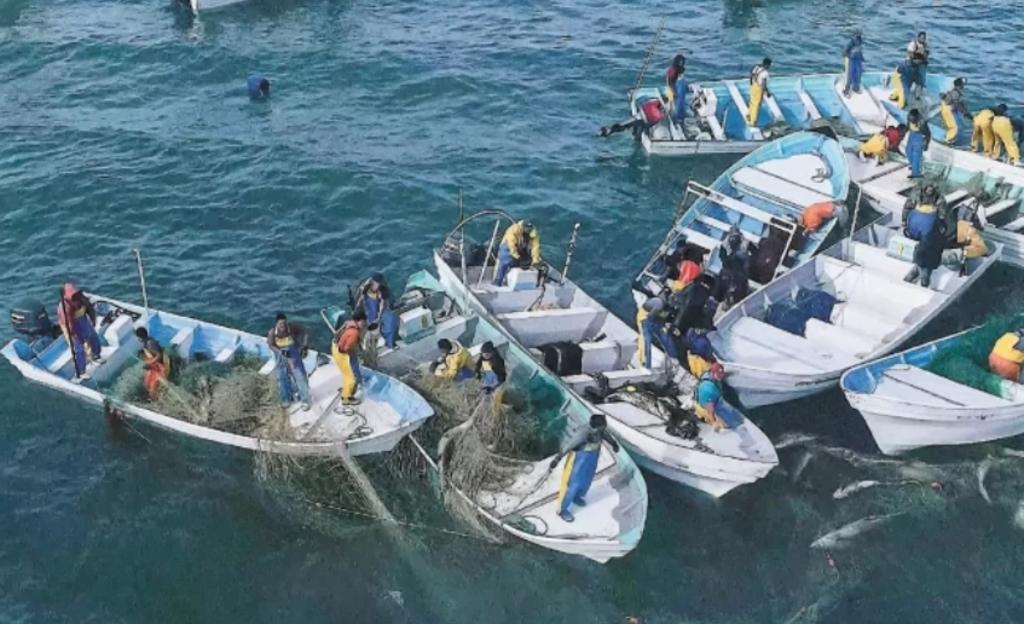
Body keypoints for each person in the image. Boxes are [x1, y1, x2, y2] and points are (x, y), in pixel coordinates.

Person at [548, 413, 619, 523]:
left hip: (592, 458)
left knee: (587, 479)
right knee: (573, 484)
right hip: (579, 460)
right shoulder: (583, 433)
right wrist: (557, 459)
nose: (603, 430)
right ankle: (562, 509)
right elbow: (569, 445)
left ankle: (577, 496)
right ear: (594, 427)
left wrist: (613, 443)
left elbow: (605, 435)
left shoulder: (600, 431)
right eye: (601, 428)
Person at [56, 282, 103, 381]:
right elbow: (69, 324)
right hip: (70, 326)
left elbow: (90, 308)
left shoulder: (82, 298)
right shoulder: (65, 307)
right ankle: (81, 371)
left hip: (82, 319)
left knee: (93, 336)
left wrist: (93, 319)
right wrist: (75, 336)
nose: (75, 297)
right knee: (79, 349)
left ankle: (96, 355)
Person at [267, 313, 311, 410]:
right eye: (280, 324)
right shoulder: (272, 333)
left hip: (293, 355)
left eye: (284, 323)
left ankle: (305, 400)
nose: (282, 326)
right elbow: (271, 345)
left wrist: (305, 345)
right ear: (276, 324)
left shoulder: (291, 328)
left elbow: (305, 331)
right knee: (282, 378)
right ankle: (286, 399)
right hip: (281, 357)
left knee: (300, 376)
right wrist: (281, 352)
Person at [332, 310, 366, 408]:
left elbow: (340, 330)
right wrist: (354, 354)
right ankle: (346, 398)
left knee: (347, 374)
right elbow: (346, 348)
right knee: (351, 377)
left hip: (335, 347)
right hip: (342, 353)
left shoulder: (349, 323)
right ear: (361, 321)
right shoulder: (354, 332)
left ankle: (347, 389)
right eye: (364, 322)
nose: (364, 324)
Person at [355, 274, 399, 348]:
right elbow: (361, 299)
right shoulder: (365, 287)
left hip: (381, 306)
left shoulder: (383, 290)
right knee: (370, 318)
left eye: (378, 283)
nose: (377, 285)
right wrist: (358, 307)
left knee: (389, 320)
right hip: (369, 305)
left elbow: (383, 303)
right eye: (376, 283)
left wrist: (379, 316)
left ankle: (390, 343)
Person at [494, 220, 541, 286]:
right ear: (522, 227)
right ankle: (498, 280)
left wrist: (535, 261)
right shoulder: (513, 230)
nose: (528, 230)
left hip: (522, 246)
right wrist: (517, 257)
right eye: (526, 228)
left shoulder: (534, 233)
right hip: (509, 246)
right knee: (505, 259)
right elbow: (511, 245)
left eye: (529, 229)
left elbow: (535, 248)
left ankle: (528, 281)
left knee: (534, 262)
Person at [903, 218, 945, 288]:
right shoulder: (937, 236)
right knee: (925, 278)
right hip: (927, 261)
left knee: (915, 272)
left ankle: (905, 283)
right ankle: (922, 290)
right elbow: (937, 250)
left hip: (922, 258)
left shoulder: (928, 232)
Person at [636, 297, 677, 367]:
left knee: (666, 337)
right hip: (645, 318)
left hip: (657, 321)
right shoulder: (659, 304)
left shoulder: (670, 309)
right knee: (646, 341)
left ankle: (673, 358)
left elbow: (664, 319)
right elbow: (651, 316)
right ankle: (645, 364)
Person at [693, 362, 728, 432]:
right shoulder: (708, 389)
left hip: (710, 399)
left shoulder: (711, 375)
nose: (722, 375)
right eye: (719, 374)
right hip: (705, 407)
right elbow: (710, 410)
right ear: (714, 373)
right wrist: (714, 422)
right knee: (724, 422)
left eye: (722, 373)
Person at [939, 78, 969, 143]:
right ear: (958, 86)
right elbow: (957, 104)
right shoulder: (956, 93)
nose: (963, 86)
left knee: (953, 125)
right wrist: (964, 112)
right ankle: (947, 141)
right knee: (954, 127)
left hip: (945, 108)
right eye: (962, 85)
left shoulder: (954, 91)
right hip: (948, 110)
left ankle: (949, 137)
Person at [905, 108, 931, 179]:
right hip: (912, 134)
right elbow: (907, 126)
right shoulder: (909, 119)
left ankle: (916, 173)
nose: (911, 121)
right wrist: (903, 132)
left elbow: (928, 134)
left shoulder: (922, 123)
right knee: (908, 151)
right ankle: (914, 166)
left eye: (912, 120)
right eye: (910, 119)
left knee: (916, 154)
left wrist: (926, 143)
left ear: (916, 118)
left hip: (919, 136)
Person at [746, 57, 772, 127]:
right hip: (759, 89)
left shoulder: (757, 67)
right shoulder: (765, 73)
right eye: (769, 65)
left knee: (752, 102)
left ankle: (749, 115)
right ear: (767, 65)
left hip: (753, 85)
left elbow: (751, 74)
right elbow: (763, 85)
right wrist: (767, 92)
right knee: (756, 105)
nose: (770, 67)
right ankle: (753, 122)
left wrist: (751, 83)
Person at [905, 31, 929, 99]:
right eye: (921, 38)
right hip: (911, 62)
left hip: (920, 63)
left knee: (921, 80)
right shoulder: (912, 44)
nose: (922, 39)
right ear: (918, 37)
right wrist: (918, 52)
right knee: (909, 77)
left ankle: (918, 94)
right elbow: (910, 55)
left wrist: (923, 52)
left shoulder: (925, 45)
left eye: (924, 38)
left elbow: (926, 56)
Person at [665, 54, 688, 123]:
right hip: (672, 88)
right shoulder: (673, 70)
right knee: (673, 105)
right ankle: (674, 119)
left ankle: (679, 117)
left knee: (679, 104)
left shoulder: (677, 69)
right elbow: (670, 82)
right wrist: (674, 92)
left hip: (675, 86)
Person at [843, 30, 865, 97]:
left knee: (858, 75)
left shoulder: (860, 41)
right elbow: (844, 52)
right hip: (852, 60)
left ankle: (856, 88)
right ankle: (846, 91)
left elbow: (860, 51)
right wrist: (849, 56)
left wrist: (862, 58)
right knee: (850, 76)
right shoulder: (851, 42)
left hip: (858, 60)